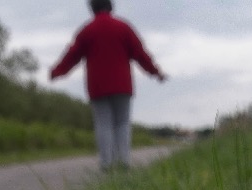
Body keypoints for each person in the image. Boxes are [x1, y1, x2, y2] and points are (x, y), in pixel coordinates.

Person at [50, 0, 166, 172]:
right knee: (122, 123)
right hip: (122, 85)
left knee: (103, 123)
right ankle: (124, 163)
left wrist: (56, 72)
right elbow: (140, 54)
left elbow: (72, 55)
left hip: (97, 86)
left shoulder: (87, 30)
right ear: (110, 6)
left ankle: (106, 164)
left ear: (92, 8)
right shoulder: (123, 27)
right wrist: (156, 72)